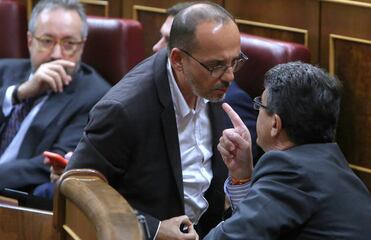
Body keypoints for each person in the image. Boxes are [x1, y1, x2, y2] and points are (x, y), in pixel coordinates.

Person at [66, 2, 246, 239]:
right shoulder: (125, 109)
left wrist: (242, 176)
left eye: (235, 61)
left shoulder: (213, 86)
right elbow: (76, 187)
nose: (230, 76)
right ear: (178, 60)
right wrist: (153, 229)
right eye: (217, 66)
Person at [204, 62, 371, 239]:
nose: (257, 110)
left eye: (260, 104)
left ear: (275, 124)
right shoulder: (333, 167)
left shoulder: (291, 171)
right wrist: (242, 178)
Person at [0, 0, 110, 192]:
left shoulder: (95, 97)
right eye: (47, 41)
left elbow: (53, 164)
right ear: (29, 41)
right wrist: (19, 93)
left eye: (69, 44)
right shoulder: (4, 71)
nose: (57, 54)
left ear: (82, 47)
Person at [153, 1, 262, 164]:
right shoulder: (154, 95)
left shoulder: (231, 101)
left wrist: (239, 181)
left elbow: (250, 163)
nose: (156, 47)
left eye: (168, 40)